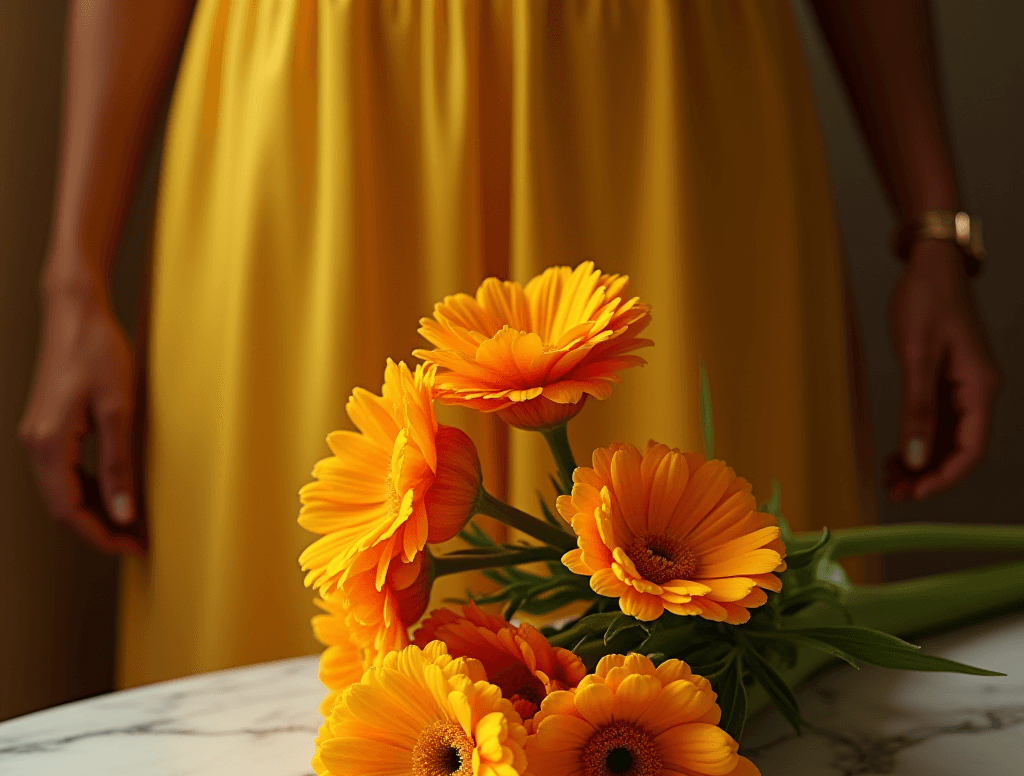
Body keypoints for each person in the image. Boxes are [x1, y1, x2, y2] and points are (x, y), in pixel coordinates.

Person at [19, 0, 1000, 690]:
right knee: (285, 743)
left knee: (719, 728)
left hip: (661, 117)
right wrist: (75, 281)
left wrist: (933, 231)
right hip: (316, 124)